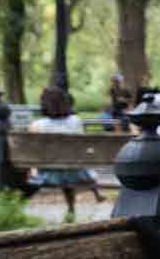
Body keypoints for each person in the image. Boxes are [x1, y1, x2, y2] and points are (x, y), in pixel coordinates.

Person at [27, 85, 106, 220]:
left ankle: (17, 203)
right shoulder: (76, 121)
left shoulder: (37, 125)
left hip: (49, 175)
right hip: (77, 174)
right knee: (67, 165)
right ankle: (72, 208)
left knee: (58, 166)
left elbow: (31, 150)